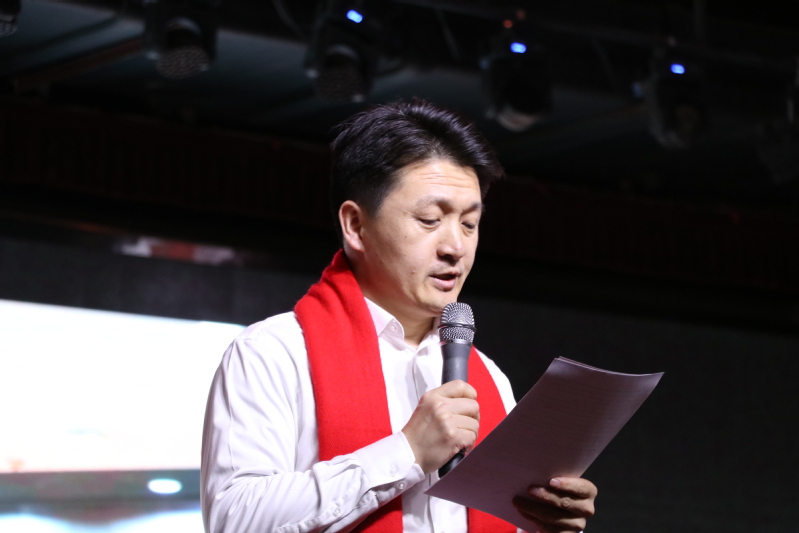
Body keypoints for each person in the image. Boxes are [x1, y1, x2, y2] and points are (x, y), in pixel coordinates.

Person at [200, 99, 597, 533]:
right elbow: (234, 519)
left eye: (469, 224)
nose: (456, 247)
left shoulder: (488, 377)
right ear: (356, 225)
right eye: (429, 219)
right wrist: (407, 452)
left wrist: (545, 523)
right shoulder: (274, 353)